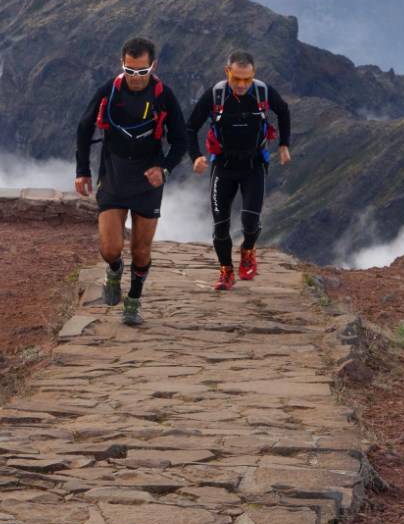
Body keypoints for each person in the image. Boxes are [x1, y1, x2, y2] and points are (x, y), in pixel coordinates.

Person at [75, 36, 188, 326]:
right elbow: (84, 128)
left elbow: (181, 141)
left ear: (153, 65)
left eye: (142, 71)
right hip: (114, 173)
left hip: (148, 179)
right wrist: (82, 171)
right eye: (130, 70)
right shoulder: (108, 92)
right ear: (122, 64)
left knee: (140, 249)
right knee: (110, 248)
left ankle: (134, 300)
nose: (136, 78)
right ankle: (114, 270)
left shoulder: (164, 95)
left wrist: (164, 169)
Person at [188, 50, 293, 291]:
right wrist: (195, 157)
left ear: (253, 74)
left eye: (247, 79)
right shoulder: (215, 95)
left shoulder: (262, 92)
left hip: (253, 165)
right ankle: (226, 271)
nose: (242, 84)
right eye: (237, 79)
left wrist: (285, 144)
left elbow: (283, 110)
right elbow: (190, 127)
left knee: (250, 221)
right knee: (221, 226)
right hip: (223, 166)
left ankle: (248, 250)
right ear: (227, 73)